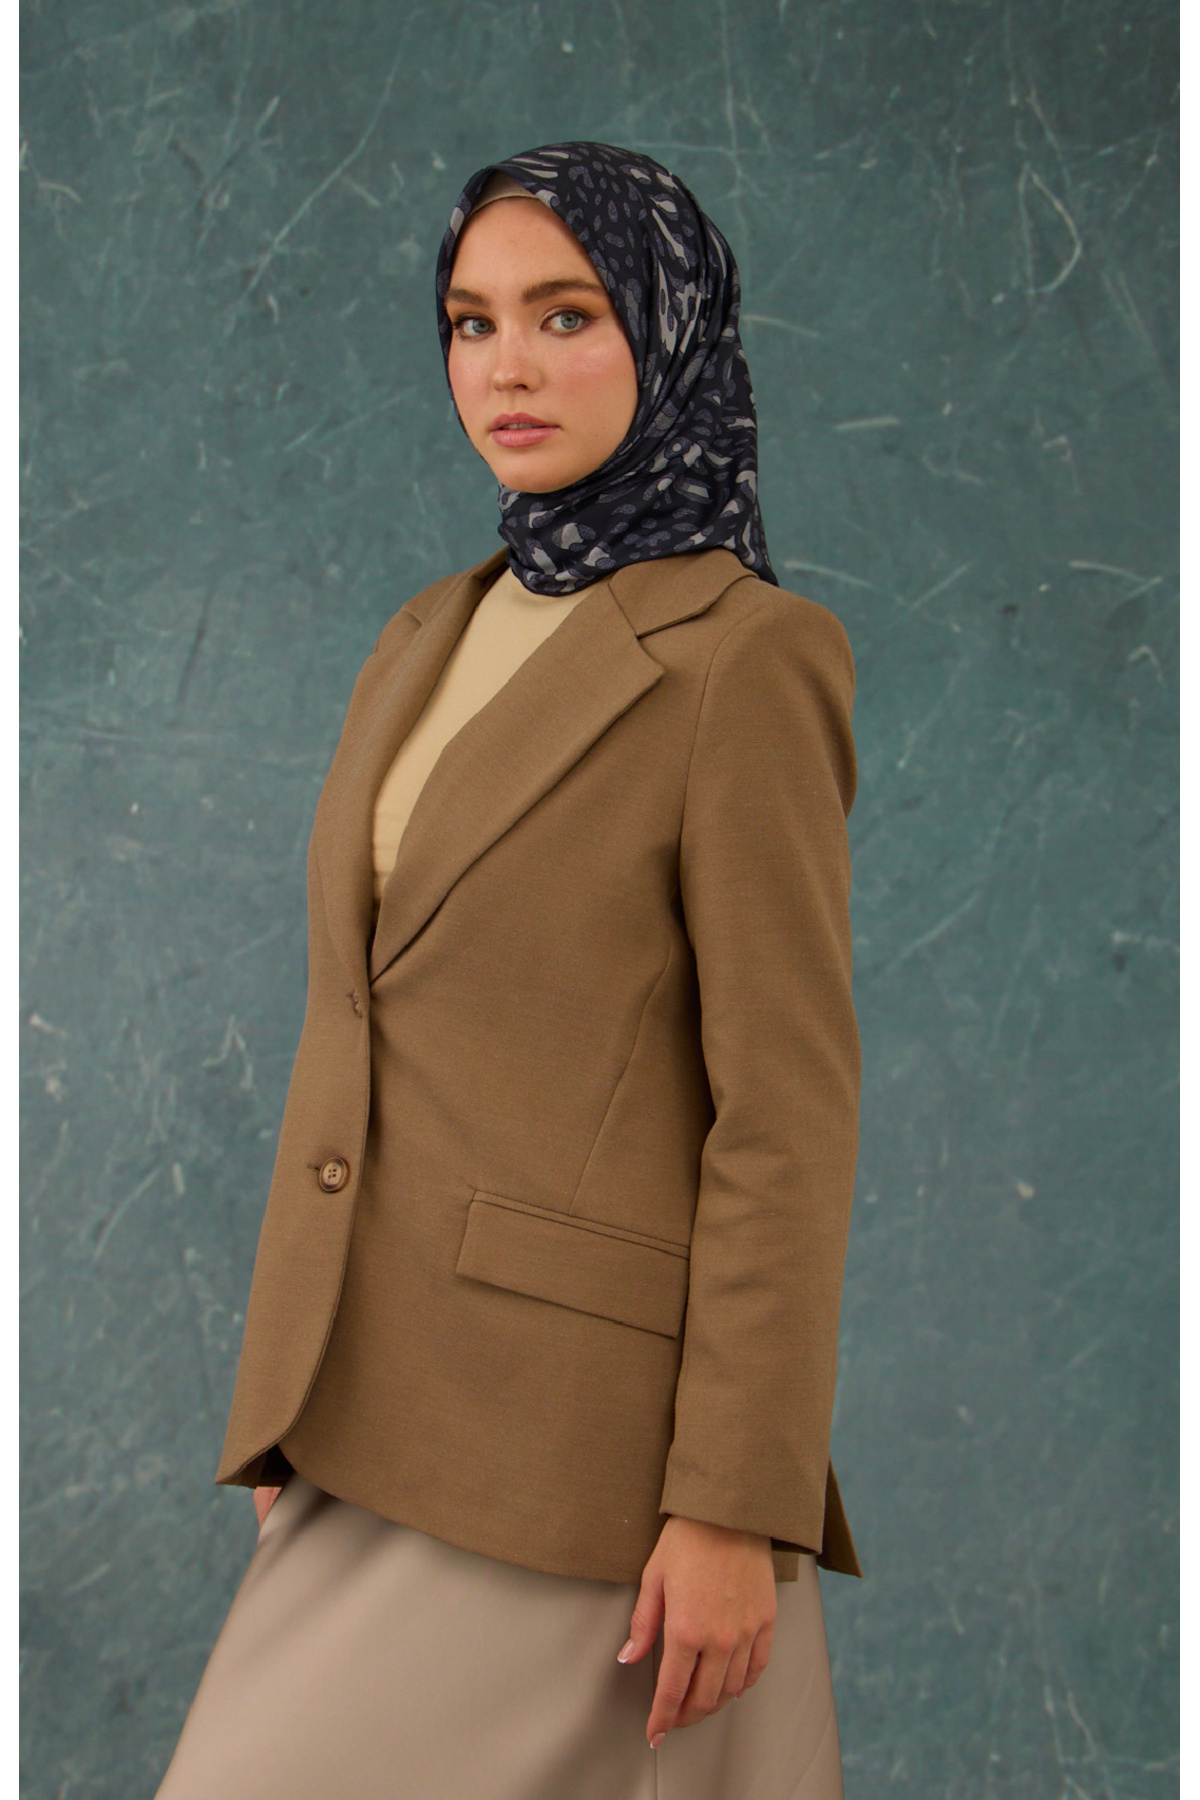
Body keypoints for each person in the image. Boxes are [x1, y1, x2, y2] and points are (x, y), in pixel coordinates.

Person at [153, 140, 862, 1800]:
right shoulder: (426, 632)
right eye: (471, 323)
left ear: (668, 330)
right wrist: (293, 1391)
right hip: (363, 1414)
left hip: (582, 1470)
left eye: (566, 314)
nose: (508, 367)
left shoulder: (748, 661)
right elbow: (363, 1026)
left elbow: (786, 1116)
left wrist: (734, 1502)